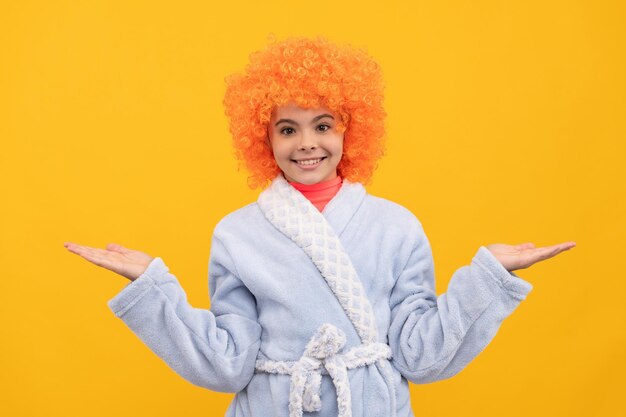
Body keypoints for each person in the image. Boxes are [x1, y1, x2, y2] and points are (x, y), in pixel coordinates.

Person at [64, 35, 576, 417]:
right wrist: (153, 288)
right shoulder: (237, 235)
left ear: (350, 129)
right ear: (263, 140)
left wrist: (487, 278)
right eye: (287, 129)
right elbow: (226, 365)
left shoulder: (396, 227)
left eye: (323, 125)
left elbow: (421, 356)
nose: (306, 142)